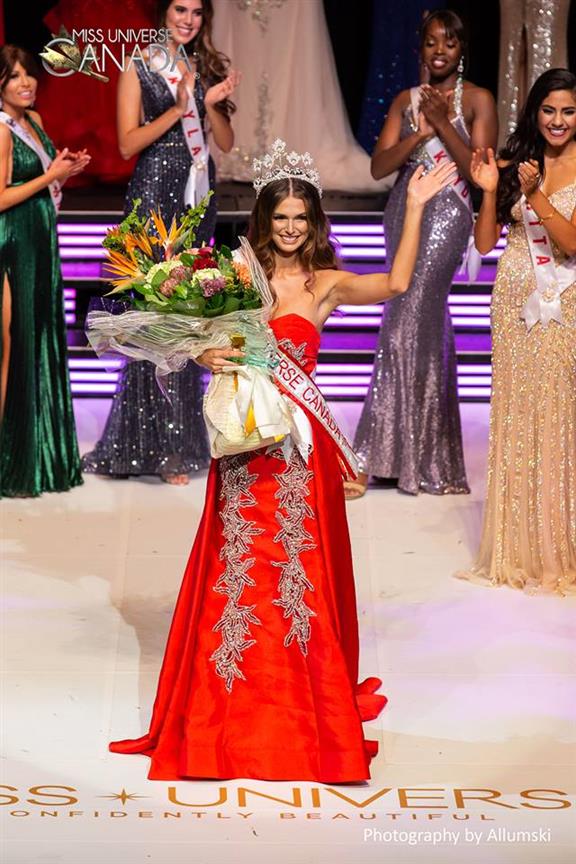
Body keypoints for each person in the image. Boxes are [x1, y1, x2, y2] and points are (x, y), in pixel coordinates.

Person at [108, 141, 456, 782]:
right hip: (246, 446)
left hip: (300, 452)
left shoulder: (324, 283)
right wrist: (205, 355)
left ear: (314, 221)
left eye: (302, 217)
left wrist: (413, 206)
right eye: (281, 217)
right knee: (240, 574)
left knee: (297, 579)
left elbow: (398, 283)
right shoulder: (236, 276)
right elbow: (201, 341)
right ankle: (225, 718)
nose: (291, 228)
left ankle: (300, 713)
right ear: (264, 219)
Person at [82, 0, 239, 484]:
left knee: (191, 312)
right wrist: (178, 108)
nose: (187, 19)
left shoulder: (209, 66)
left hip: (196, 192)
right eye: (179, 9)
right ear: (163, 13)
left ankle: (181, 443)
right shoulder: (139, 64)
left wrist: (208, 107)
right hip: (153, 192)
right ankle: (141, 443)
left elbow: (227, 145)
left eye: (196, 12)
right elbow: (127, 143)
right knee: (156, 312)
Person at [348, 10, 498, 498]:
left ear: (461, 50)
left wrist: (441, 122)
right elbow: (378, 166)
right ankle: (421, 457)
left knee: (408, 314)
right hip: (403, 209)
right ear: (421, 49)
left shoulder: (478, 100)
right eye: (432, 43)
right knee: (416, 318)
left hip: (450, 214)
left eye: (449, 44)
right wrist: (418, 132)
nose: (440, 51)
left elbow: (478, 171)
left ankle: (375, 453)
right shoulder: (404, 100)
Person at [458, 69, 576, 595]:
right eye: (549, 110)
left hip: (565, 304)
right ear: (534, 112)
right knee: (517, 415)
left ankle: (558, 545)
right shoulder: (514, 163)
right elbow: (485, 243)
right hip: (513, 306)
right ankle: (518, 548)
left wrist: (537, 196)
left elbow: (572, 244)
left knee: (558, 414)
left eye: (569, 111)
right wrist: (491, 192)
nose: (558, 121)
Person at [0, 45, 90, 497]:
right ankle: (6, 457)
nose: (26, 82)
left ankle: (39, 454)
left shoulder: (33, 122)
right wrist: (48, 175)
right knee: (12, 346)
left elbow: (43, 183)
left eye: (29, 74)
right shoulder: (1, 131)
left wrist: (65, 172)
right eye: (15, 76)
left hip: (40, 238)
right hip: (12, 242)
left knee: (38, 341)